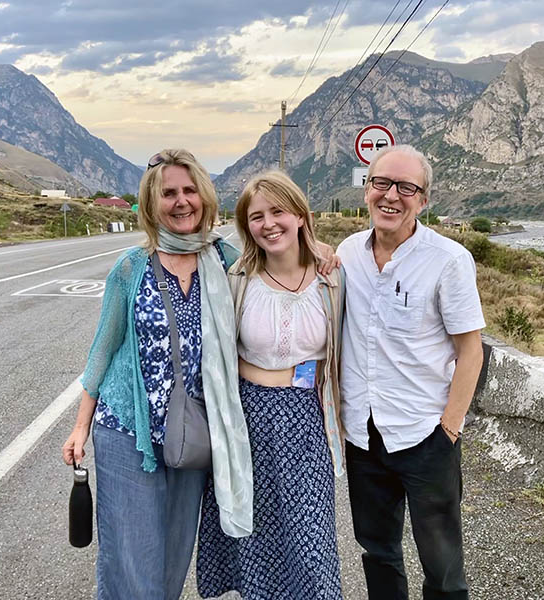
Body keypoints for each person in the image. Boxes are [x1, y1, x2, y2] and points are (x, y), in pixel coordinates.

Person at [61, 148, 254, 600]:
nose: (181, 201)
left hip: (195, 431)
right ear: (152, 204)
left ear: (205, 198)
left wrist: (322, 251)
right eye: (169, 193)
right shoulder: (131, 268)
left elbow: (285, 261)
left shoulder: (227, 261)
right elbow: (102, 351)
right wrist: (79, 427)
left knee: (172, 554)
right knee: (131, 554)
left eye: (190, 190)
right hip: (128, 430)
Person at [336, 144, 485, 600]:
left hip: (426, 436)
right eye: (381, 183)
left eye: (407, 187)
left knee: (442, 568)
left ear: (423, 200)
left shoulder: (449, 260)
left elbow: (470, 351)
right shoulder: (347, 254)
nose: (391, 196)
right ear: (366, 189)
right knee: (378, 553)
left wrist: (450, 429)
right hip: (363, 435)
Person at [196, 170, 345, 600]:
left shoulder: (333, 280)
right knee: (255, 535)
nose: (269, 224)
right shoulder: (237, 279)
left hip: (309, 422)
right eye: (256, 216)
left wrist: (322, 249)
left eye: (278, 211)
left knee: (310, 538)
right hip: (247, 419)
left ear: (301, 215)